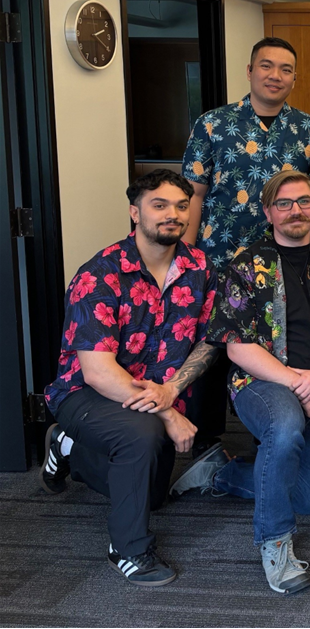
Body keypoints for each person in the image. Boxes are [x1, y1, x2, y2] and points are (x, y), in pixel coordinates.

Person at [171, 170, 310, 595]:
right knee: (284, 430)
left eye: (303, 201)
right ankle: (276, 544)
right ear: (268, 211)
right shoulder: (245, 264)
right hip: (262, 383)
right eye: (284, 203)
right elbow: (235, 346)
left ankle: (222, 473)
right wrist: (302, 385)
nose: (296, 210)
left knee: (307, 498)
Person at [39, 169, 217, 587]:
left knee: (152, 495)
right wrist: (170, 412)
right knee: (142, 435)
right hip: (87, 394)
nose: (172, 214)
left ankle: (70, 451)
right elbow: (98, 373)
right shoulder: (99, 274)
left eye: (181, 205)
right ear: (135, 213)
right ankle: (129, 550)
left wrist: (171, 390)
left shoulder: (200, 267)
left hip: (158, 393)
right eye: (159, 205)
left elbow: (210, 341)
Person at [181, 36, 310, 455]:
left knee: (273, 350)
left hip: (283, 264)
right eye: (266, 66)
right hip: (220, 258)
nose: (275, 76)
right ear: (249, 71)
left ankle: (271, 440)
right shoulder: (212, 124)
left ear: (295, 77)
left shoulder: (309, 129)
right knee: (212, 348)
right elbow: (194, 194)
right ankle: (206, 444)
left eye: (285, 69)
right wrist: (185, 258)